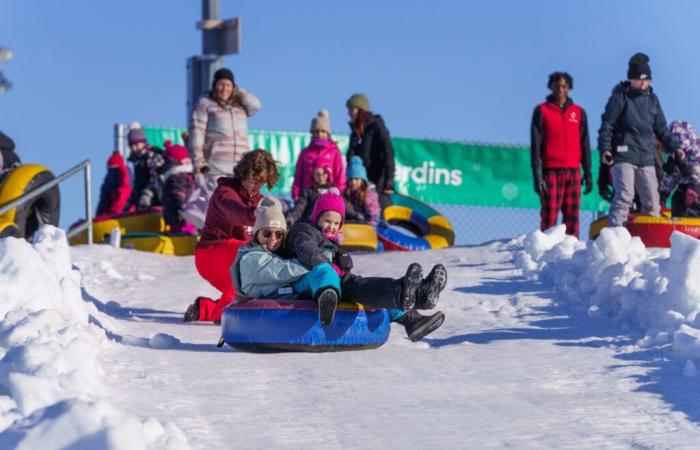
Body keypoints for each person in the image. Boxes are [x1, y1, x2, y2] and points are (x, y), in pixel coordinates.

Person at [285, 190, 447, 340]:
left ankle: (418, 304)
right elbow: (307, 250)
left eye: (336, 223)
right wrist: (329, 266)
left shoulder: (332, 243)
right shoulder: (305, 231)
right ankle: (409, 295)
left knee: (367, 287)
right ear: (316, 217)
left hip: (338, 283)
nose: (332, 227)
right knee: (355, 285)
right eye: (327, 221)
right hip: (311, 284)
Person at [183, 149, 279, 323]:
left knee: (258, 287)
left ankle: (205, 310)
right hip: (211, 254)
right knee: (248, 255)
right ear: (243, 174)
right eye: (254, 181)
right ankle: (229, 314)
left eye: (262, 182)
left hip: (237, 260)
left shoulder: (260, 200)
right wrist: (254, 213)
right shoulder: (225, 193)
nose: (257, 186)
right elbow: (235, 211)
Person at [598, 53, 683, 227]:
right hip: (623, 155)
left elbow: (661, 129)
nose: (642, 84)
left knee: (652, 201)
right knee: (625, 195)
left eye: (646, 80)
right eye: (638, 80)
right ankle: (615, 235)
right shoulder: (620, 99)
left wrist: (674, 148)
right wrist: (605, 148)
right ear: (630, 80)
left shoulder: (653, 100)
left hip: (646, 157)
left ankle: (649, 242)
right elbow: (607, 125)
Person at [530, 72, 592, 238]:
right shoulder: (542, 111)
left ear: (569, 88)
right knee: (549, 216)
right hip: (550, 171)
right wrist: (537, 174)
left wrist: (588, 172)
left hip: (573, 171)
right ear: (551, 87)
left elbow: (585, 144)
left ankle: (571, 251)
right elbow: (536, 145)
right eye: (557, 85)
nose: (560, 89)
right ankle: (545, 250)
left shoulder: (578, 112)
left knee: (572, 216)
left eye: (564, 86)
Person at [188, 68, 261, 184]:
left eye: (228, 85)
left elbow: (256, 105)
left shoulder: (239, 106)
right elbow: (197, 133)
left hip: (241, 168)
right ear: (214, 86)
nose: (224, 89)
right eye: (221, 84)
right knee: (217, 201)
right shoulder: (205, 104)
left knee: (239, 202)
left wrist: (238, 91)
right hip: (215, 168)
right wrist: (198, 161)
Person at [345, 93, 396, 195]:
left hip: (378, 185)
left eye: (352, 109)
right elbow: (350, 158)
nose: (348, 113)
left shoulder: (377, 126)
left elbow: (388, 153)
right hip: (359, 186)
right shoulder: (355, 134)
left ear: (360, 110)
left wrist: (388, 183)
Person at [291, 110, 346, 201]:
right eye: (316, 131)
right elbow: (298, 176)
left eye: (323, 131)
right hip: (307, 198)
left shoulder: (334, 152)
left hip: (329, 196)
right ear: (312, 133)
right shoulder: (305, 153)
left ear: (328, 134)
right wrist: (296, 194)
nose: (320, 134)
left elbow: (340, 175)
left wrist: (339, 194)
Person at [659, 120, 700, 217]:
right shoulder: (676, 154)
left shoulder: (697, 148)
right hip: (686, 186)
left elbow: (696, 166)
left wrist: (694, 185)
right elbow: (674, 175)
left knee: (693, 202)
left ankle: (695, 226)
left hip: (696, 185)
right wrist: (663, 194)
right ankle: (679, 225)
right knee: (678, 199)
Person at [124, 122, 165, 211]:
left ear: (143, 143)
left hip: (158, 199)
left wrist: (147, 194)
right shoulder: (138, 161)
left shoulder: (152, 156)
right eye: (132, 146)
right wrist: (129, 204)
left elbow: (155, 178)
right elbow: (138, 184)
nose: (135, 148)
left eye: (137, 145)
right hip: (144, 202)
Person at [161, 141, 196, 234]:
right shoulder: (187, 175)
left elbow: (178, 194)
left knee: (181, 233)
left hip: (181, 218)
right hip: (183, 218)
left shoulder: (176, 177)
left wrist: (183, 210)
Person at [285, 161, 335, 226]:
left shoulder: (333, 191)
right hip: (310, 225)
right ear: (313, 175)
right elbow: (299, 208)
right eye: (318, 174)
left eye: (324, 174)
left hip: (329, 226)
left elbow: (344, 208)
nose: (321, 177)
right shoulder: (308, 191)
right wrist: (291, 217)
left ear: (328, 174)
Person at [344, 156, 381, 226]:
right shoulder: (348, 192)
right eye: (351, 179)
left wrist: (371, 227)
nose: (353, 182)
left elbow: (374, 214)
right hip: (354, 222)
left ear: (363, 180)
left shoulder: (368, 194)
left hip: (366, 225)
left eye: (357, 179)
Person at [95, 151, 131, 216]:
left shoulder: (125, 184)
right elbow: (103, 204)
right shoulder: (107, 186)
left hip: (124, 215)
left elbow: (121, 201)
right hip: (115, 215)